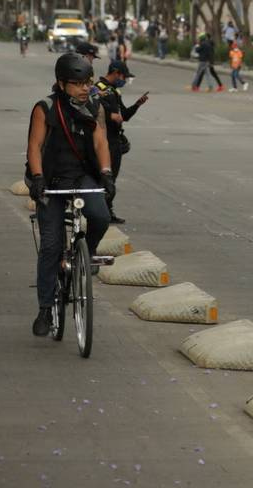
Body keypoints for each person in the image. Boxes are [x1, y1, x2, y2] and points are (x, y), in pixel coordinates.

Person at [27, 53, 114, 338]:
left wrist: (106, 172)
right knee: (51, 245)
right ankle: (44, 308)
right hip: (50, 179)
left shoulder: (93, 105)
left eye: (87, 82)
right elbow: (35, 145)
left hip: (81, 175)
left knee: (100, 215)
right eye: (76, 84)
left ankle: (84, 256)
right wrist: (37, 178)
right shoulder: (46, 108)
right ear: (61, 84)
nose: (83, 88)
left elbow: (100, 140)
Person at [94, 59, 147, 223]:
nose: (124, 80)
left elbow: (124, 116)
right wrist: (109, 116)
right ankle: (99, 212)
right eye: (123, 76)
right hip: (103, 139)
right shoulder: (97, 89)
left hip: (115, 140)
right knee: (103, 177)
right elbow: (91, 108)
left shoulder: (115, 92)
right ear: (116, 73)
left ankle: (107, 211)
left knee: (112, 178)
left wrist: (138, 104)